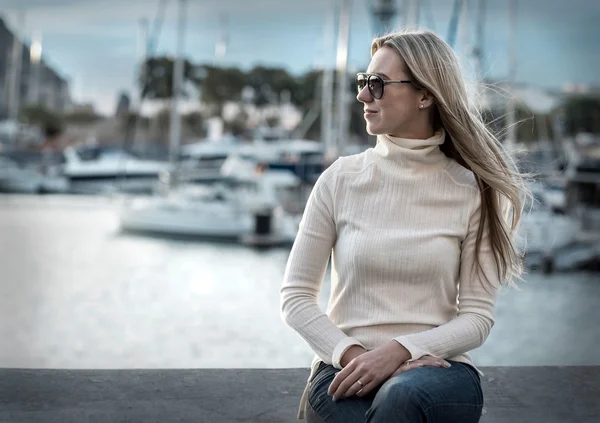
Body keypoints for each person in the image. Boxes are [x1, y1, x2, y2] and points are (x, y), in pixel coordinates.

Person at [280, 29, 528, 423]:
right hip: (344, 369)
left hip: (440, 373)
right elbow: (295, 298)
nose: (362, 95)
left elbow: (478, 318)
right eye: (363, 82)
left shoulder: (472, 190)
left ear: (425, 95)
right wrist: (359, 358)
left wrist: (399, 352)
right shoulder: (339, 179)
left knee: (402, 397)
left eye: (376, 84)